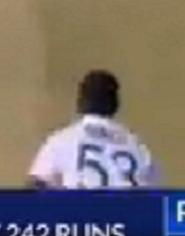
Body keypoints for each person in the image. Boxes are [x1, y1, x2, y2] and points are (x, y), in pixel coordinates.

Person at [28, 70, 157, 189]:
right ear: (115, 103)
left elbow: (36, 186)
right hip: (129, 212)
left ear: (81, 101)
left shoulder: (62, 140)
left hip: (83, 212)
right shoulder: (137, 146)